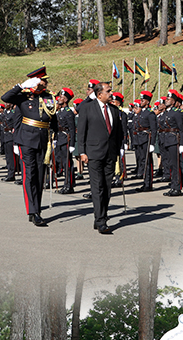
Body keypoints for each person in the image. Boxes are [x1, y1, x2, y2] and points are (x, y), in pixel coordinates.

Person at [1, 67, 60, 227]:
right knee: (29, 175)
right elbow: (5, 97)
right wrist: (21, 86)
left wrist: (54, 136)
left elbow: (52, 117)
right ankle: (33, 211)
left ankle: (37, 209)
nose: (46, 83)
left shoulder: (49, 97)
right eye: (43, 80)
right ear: (35, 81)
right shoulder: (23, 96)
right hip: (26, 140)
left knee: (40, 176)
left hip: (43, 140)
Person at [76, 80, 123, 233]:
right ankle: (101, 220)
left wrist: (119, 150)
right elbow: (81, 132)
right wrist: (81, 152)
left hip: (110, 153)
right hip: (93, 153)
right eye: (108, 91)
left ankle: (100, 216)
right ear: (99, 94)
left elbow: (118, 133)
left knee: (107, 187)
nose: (111, 94)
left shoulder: (114, 110)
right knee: (97, 187)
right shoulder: (88, 108)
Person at [158, 90, 183, 198]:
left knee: (175, 165)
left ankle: (177, 188)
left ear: (174, 101)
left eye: (169, 99)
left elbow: (182, 129)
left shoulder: (177, 113)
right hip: (166, 140)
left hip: (174, 140)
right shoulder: (165, 112)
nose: (166, 100)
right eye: (166, 98)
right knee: (170, 164)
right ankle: (173, 186)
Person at [54, 88, 77, 194]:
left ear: (66, 99)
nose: (59, 98)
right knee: (62, 162)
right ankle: (66, 184)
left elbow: (72, 129)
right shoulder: (60, 112)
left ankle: (69, 185)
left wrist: (72, 144)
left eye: (62, 97)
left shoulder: (68, 112)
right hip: (60, 139)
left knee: (67, 164)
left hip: (66, 140)